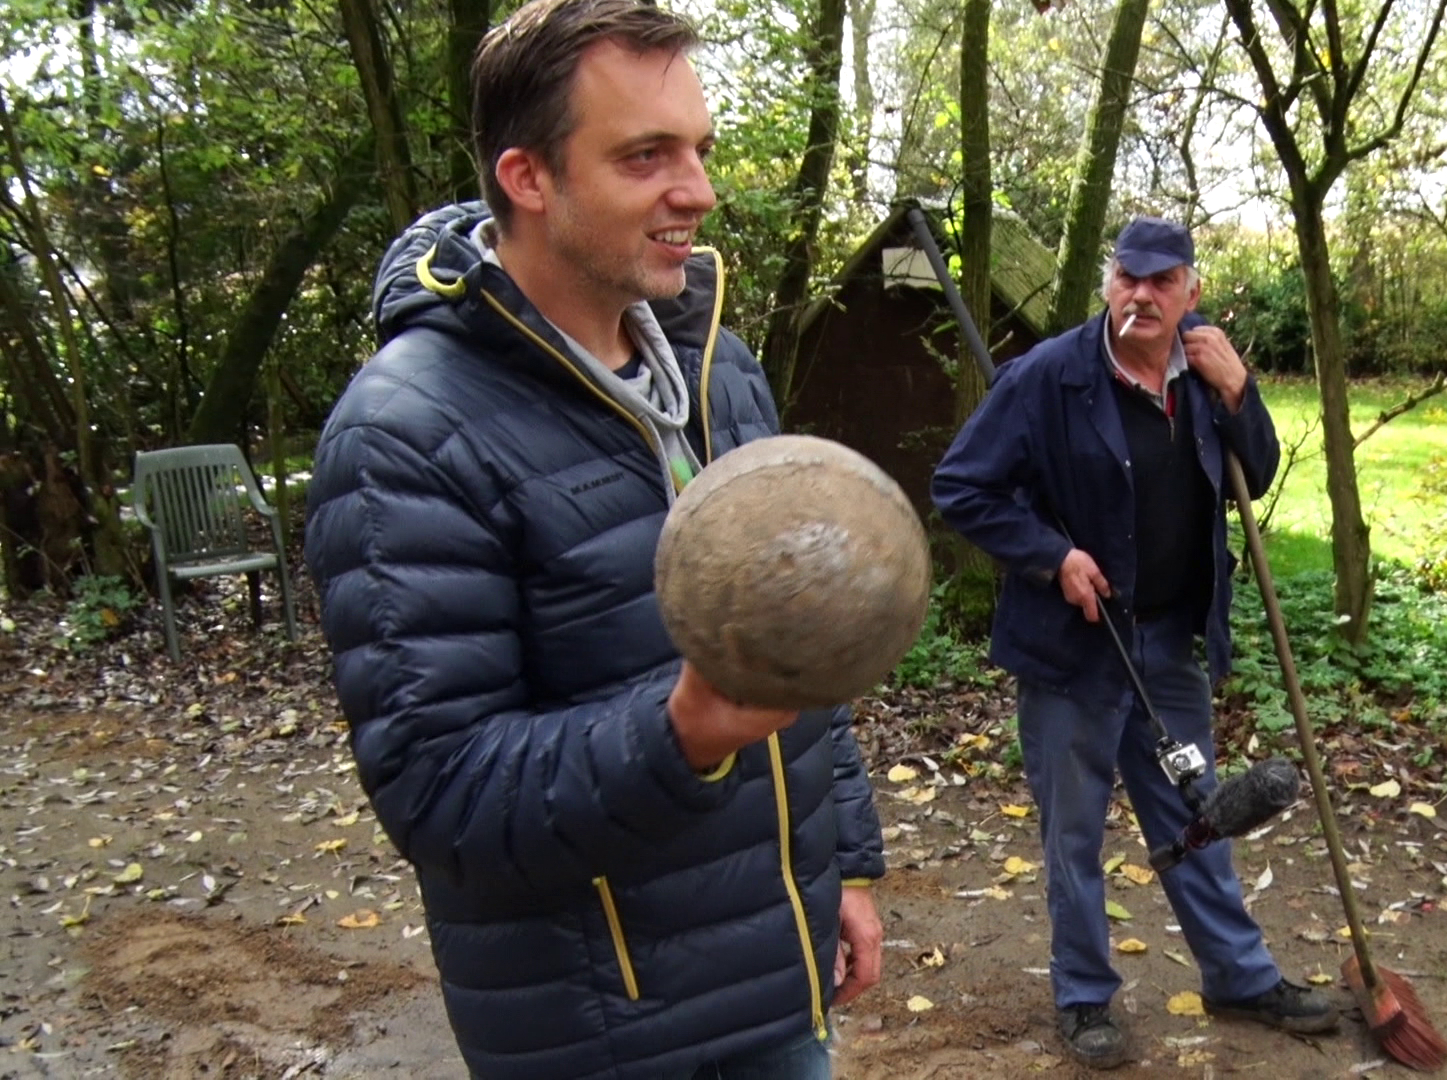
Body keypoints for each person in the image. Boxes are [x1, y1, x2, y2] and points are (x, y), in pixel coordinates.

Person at [303, 2, 884, 1077]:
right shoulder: (406, 435)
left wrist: (842, 867)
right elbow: (443, 797)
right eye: (645, 156)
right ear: (529, 177)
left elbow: (799, 653)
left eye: (698, 150)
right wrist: (682, 731)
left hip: (779, 987)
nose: (699, 190)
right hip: (602, 1031)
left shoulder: (724, 370)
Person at [931, 216, 1336, 1068]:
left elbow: (1252, 475)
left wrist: (1240, 394)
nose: (1141, 296)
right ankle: (1084, 1000)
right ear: (1109, 284)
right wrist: (1051, 556)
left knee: (1201, 817)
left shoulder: (1205, 371)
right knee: (1073, 835)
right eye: (1127, 278)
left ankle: (1239, 976)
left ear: (1191, 290)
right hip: (1072, 654)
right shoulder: (1048, 379)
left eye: (1161, 281)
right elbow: (961, 486)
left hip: (1169, 642)